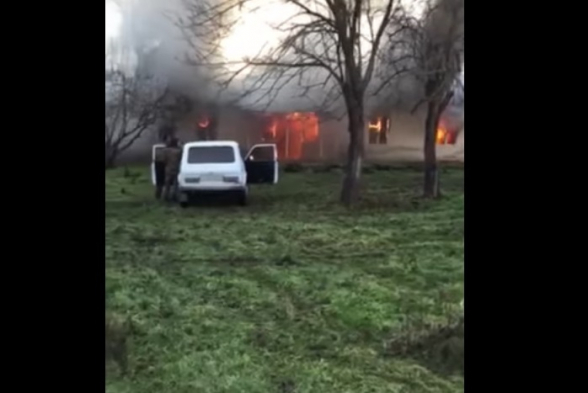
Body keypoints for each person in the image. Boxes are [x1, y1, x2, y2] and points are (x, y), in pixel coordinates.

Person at [162, 137, 182, 202]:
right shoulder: (178, 151)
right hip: (176, 168)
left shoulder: (166, 151)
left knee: (167, 184)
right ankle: (174, 196)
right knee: (175, 184)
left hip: (168, 169)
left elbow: (163, 160)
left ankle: (166, 196)